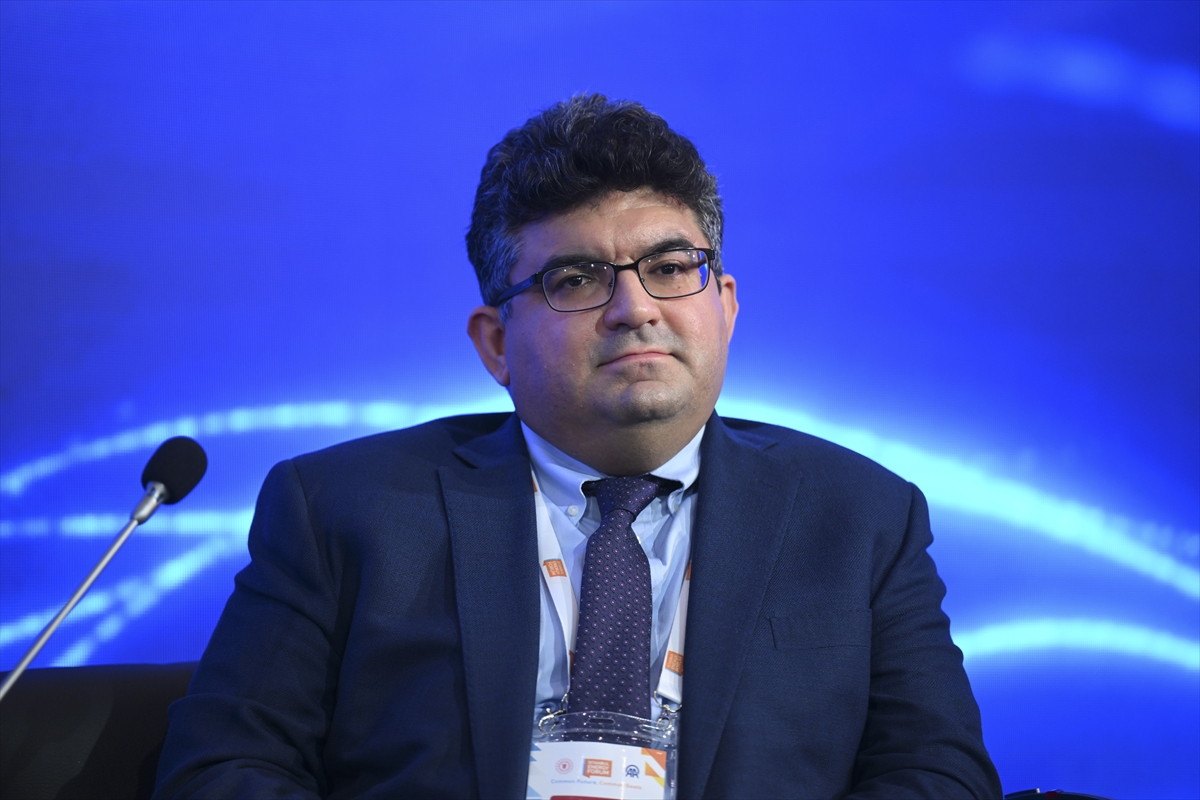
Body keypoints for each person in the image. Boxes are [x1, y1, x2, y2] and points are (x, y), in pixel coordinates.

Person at [155, 95, 1002, 799]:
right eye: (576, 279)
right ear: (495, 344)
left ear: (726, 305)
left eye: (670, 267)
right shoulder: (342, 510)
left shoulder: (861, 516)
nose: (635, 308)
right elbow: (222, 769)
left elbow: (940, 774)